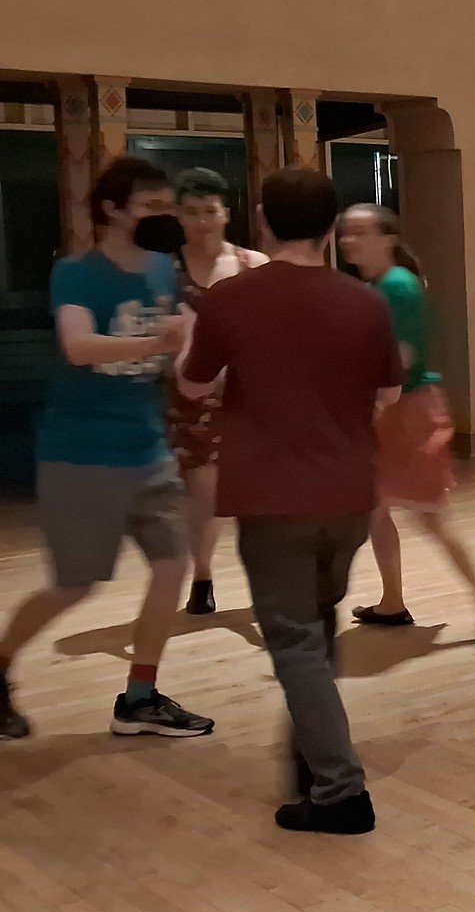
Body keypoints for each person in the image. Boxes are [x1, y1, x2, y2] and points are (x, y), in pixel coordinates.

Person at [181, 168, 403, 834]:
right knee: (316, 623)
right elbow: (388, 394)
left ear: (263, 221)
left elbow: (193, 386)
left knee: (296, 645)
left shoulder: (230, 298)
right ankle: (311, 760)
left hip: (274, 497)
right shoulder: (365, 302)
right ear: (331, 225)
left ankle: (341, 791)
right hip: (348, 496)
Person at [0, 157, 213, 744]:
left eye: (166, 206)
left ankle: (139, 698)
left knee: (172, 569)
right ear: (113, 209)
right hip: (82, 453)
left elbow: (181, 359)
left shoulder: (163, 272)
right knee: (75, 586)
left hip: (149, 450)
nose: (162, 216)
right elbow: (78, 347)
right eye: (150, 206)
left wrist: (199, 359)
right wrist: (159, 337)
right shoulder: (76, 273)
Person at [337, 205, 475, 646]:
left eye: (360, 233)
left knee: (430, 519)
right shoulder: (381, 284)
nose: (348, 241)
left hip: (407, 412)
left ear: (386, 238)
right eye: (346, 233)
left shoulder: (395, 285)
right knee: (378, 510)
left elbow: (402, 356)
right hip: (398, 409)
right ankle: (392, 601)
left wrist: (371, 408)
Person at [164, 167, 265, 616]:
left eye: (210, 210)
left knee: (256, 492)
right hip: (188, 394)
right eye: (191, 212)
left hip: (250, 396)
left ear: (226, 212)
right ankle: (203, 575)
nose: (202, 221)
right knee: (203, 489)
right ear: (178, 216)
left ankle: (265, 580)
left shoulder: (252, 265)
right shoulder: (161, 271)